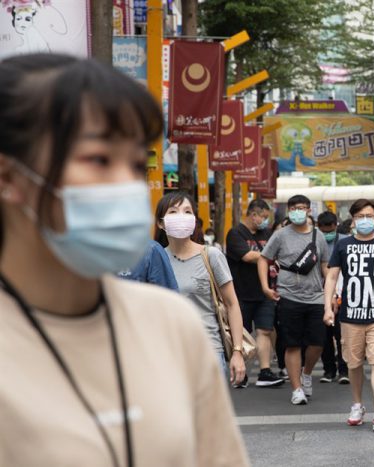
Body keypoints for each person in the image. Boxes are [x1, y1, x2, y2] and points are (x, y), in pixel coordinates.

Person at [0, 54, 247, 465]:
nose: (126, 185)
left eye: (135, 164)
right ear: (9, 177)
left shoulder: (172, 324)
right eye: (99, 159)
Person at [324, 199, 374, 433]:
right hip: (350, 315)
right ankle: (357, 405)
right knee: (354, 363)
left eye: (369, 216)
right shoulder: (343, 245)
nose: (365, 220)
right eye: (360, 216)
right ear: (352, 220)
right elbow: (331, 277)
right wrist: (327, 307)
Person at [156, 192, 247, 387]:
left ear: (194, 220)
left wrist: (237, 351)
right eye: (173, 212)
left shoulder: (211, 255)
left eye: (187, 211)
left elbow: (232, 304)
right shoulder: (155, 259)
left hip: (208, 352)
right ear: (160, 223)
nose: (181, 216)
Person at [259, 194, 330, 405]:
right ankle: (297, 388)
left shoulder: (318, 236)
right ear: (289, 211)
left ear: (309, 210)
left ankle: (306, 373)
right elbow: (263, 259)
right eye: (294, 208)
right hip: (288, 296)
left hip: (316, 297)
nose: (298, 211)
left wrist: (332, 291)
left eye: (302, 208)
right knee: (292, 344)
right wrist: (265, 287)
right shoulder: (280, 235)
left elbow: (325, 265)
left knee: (318, 343)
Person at [225, 199, 284, 388]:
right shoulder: (235, 234)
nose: (265, 221)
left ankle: (265, 372)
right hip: (240, 293)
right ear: (253, 215)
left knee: (264, 330)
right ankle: (239, 372)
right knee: (240, 334)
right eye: (264, 217)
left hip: (264, 292)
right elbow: (247, 256)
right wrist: (269, 256)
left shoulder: (267, 234)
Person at [317, 211, 349, 384]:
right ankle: (329, 370)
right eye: (324, 231)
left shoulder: (345, 241)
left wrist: (337, 294)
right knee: (324, 335)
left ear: (336, 226)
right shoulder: (315, 241)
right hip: (319, 294)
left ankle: (344, 370)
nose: (327, 234)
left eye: (330, 230)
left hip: (342, 293)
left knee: (341, 335)